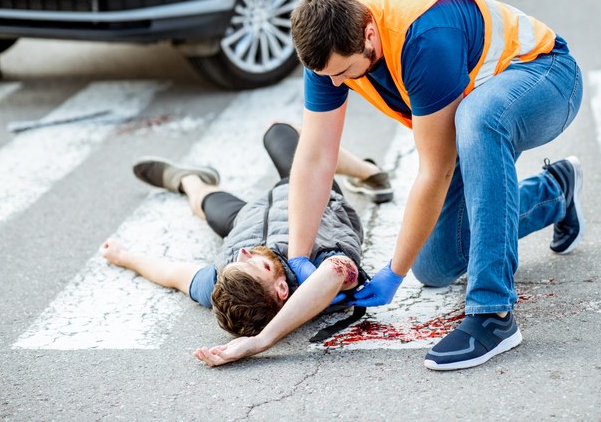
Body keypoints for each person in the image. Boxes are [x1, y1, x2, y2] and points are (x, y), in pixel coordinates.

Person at [286, 0, 584, 371]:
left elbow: (436, 168)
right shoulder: (328, 52)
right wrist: (298, 257)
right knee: (434, 265)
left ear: (369, 35)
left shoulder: (424, 39)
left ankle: (493, 315)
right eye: (329, 76)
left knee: (479, 118)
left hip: (547, 78)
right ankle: (554, 193)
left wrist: (393, 272)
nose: (337, 83)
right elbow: (314, 158)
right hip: (468, 119)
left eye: (343, 72)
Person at [100, 123, 387, 349]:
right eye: (255, 265)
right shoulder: (320, 265)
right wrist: (264, 340)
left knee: (206, 205)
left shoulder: (224, 280)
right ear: (282, 291)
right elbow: (334, 274)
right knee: (280, 131)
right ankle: (370, 172)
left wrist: (124, 257)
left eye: (237, 262)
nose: (244, 254)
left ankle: (187, 180)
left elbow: (172, 274)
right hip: (308, 193)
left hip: (246, 220)